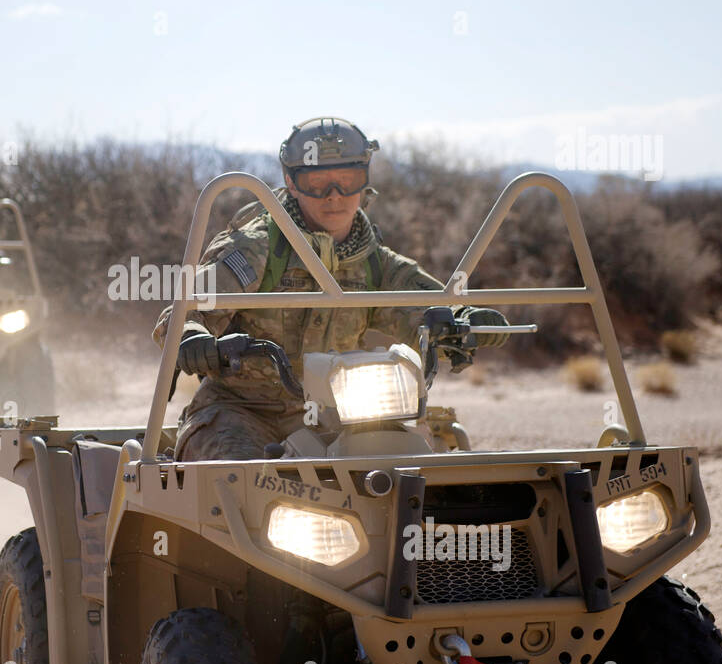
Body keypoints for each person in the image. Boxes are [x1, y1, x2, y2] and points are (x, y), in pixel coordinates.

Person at [153, 116, 509, 461]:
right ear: (291, 183)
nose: (334, 196)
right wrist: (190, 336)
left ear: (365, 183)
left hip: (341, 417)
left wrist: (465, 322)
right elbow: (187, 312)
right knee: (244, 485)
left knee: (402, 477)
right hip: (240, 413)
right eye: (317, 183)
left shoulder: (375, 262)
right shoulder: (256, 248)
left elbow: (430, 308)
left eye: (347, 180)